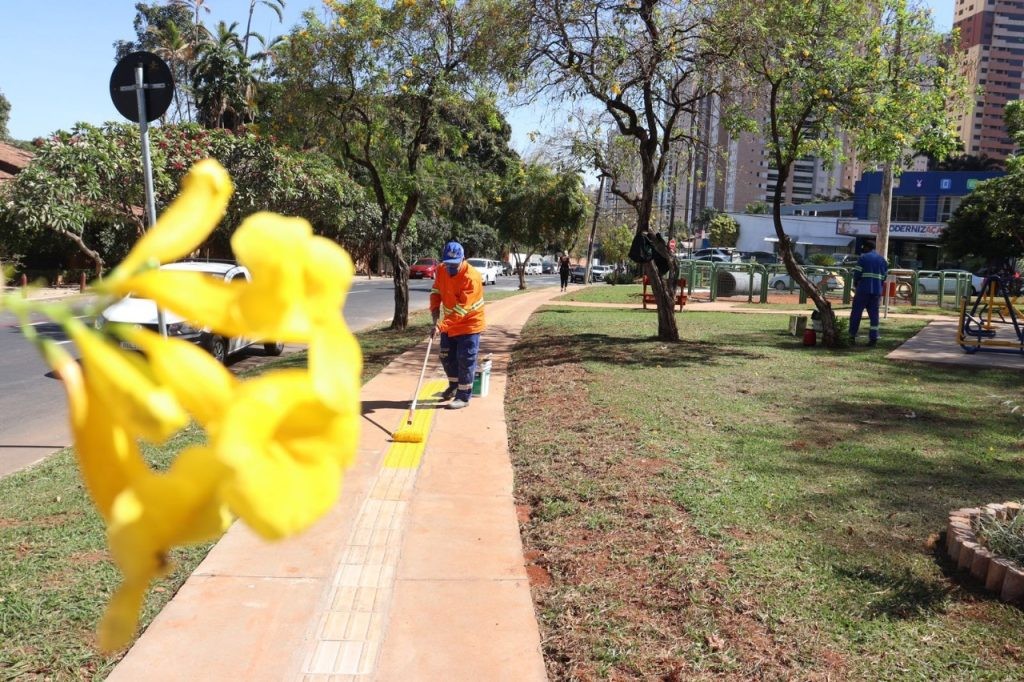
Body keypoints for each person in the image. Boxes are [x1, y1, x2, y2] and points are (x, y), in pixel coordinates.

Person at [430, 241, 486, 409]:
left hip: (469, 324)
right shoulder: (441, 269)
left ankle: (463, 396)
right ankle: (454, 385)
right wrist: (435, 316)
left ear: (463, 259)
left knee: (465, 359)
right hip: (450, 323)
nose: (450, 268)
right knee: (446, 356)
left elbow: (461, 311)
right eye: (448, 264)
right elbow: (436, 291)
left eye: (454, 265)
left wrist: (440, 326)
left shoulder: (471, 278)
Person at [849, 239, 888, 347]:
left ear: (867, 247)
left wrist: (856, 283)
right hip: (876, 292)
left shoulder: (863, 258)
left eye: (864, 248)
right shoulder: (882, 260)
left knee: (856, 314)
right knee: (874, 316)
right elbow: (884, 277)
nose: (863, 250)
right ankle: (873, 339)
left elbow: (857, 274)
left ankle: (851, 336)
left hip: (863, 291)